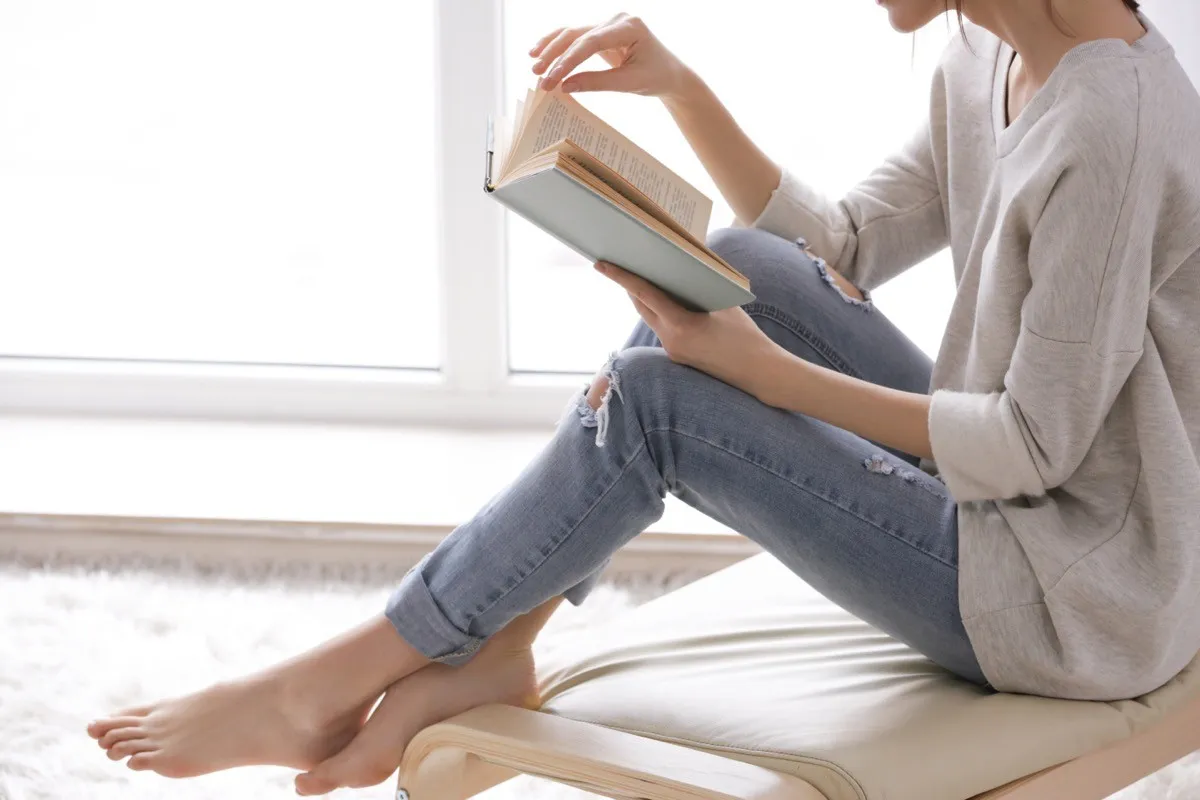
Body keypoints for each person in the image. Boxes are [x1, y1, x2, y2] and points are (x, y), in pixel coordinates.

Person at [87, 0, 1200, 793]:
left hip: (1075, 598)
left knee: (659, 400)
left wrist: (765, 376)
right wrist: (679, 88)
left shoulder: (1111, 125)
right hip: (1018, 514)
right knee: (738, 264)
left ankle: (345, 673)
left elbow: (1032, 445)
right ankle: (494, 644)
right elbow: (840, 247)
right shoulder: (986, 51)